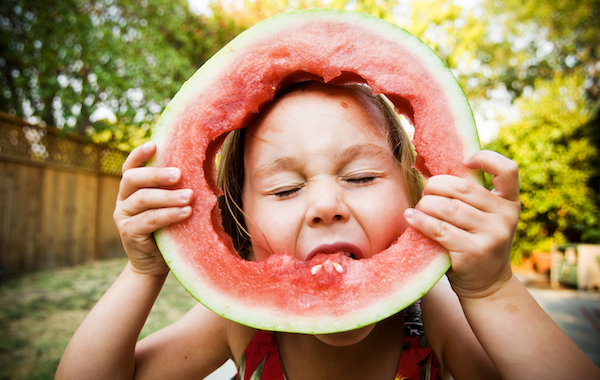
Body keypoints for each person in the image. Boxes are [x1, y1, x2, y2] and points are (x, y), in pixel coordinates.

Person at [55, 82, 600, 380]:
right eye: (285, 190)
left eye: (361, 176)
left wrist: (491, 287)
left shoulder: (435, 320)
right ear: (236, 215)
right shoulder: (239, 324)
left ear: (414, 189)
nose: (325, 205)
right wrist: (143, 270)